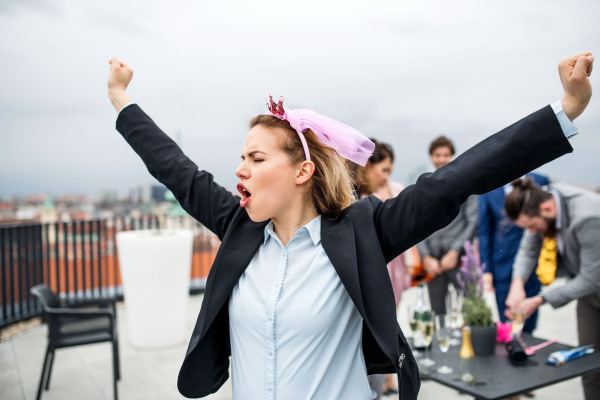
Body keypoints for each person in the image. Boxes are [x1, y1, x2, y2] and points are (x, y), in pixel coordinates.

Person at [106, 52, 593, 400]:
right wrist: (121, 99)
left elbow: (452, 181)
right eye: (241, 158)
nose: (241, 169)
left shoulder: (361, 231)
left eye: (255, 157)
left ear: (302, 172)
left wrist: (563, 112)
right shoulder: (239, 227)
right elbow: (176, 170)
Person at [504, 178, 600, 400]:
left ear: (546, 209)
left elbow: (591, 278)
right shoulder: (541, 201)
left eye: (532, 226)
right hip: (589, 298)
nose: (532, 231)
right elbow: (528, 249)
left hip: (591, 282)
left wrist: (538, 300)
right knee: (588, 363)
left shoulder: (588, 216)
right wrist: (517, 285)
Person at [353, 139, 412, 397]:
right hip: (374, 264)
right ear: (367, 167)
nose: (387, 175)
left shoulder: (395, 190)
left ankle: (387, 372)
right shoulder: (357, 197)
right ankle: (381, 372)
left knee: (391, 315)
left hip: (394, 263)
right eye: (383, 169)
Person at [478, 173, 550, 333]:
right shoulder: (488, 188)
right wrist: (486, 269)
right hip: (501, 265)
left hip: (533, 266)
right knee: (507, 323)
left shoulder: (541, 181)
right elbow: (484, 232)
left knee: (529, 324)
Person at [417, 136, 478, 314]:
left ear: (452, 155)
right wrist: (425, 257)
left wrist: (454, 251)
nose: (442, 159)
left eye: (446, 155)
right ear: (431, 157)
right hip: (433, 263)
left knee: (469, 309)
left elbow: (473, 221)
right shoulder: (422, 186)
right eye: (438, 155)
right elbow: (416, 224)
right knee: (437, 314)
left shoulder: (467, 184)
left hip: (460, 260)